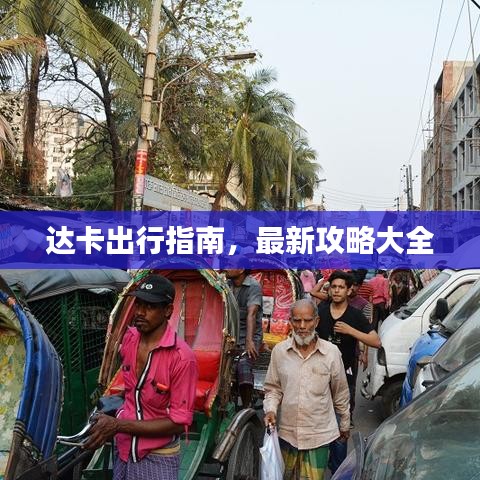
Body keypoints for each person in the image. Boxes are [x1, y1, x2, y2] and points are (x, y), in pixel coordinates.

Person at [83, 274, 198, 480]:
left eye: (150, 306)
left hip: (157, 458)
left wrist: (118, 425)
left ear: (168, 311)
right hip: (123, 449)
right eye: (139, 304)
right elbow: (132, 390)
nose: (140, 312)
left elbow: (179, 423)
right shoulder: (130, 338)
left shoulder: (182, 358)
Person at [263, 299, 350, 480]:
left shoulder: (331, 353)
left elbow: (340, 393)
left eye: (308, 320)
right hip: (288, 434)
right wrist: (270, 410)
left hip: (319, 435)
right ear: (290, 322)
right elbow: (273, 388)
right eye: (297, 320)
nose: (302, 326)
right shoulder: (279, 352)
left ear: (316, 322)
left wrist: (344, 424)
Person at [316, 270, 381, 474]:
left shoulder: (355, 315)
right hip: (318, 375)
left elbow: (376, 341)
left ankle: (338, 470)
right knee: (318, 422)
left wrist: (350, 331)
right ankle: (317, 465)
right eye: (333, 287)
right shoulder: (321, 311)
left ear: (349, 290)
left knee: (340, 425)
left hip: (344, 375)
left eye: (341, 287)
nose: (336, 291)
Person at [223, 261, 263, 408]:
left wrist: (249, 341)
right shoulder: (226, 285)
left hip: (250, 335)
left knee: (243, 364)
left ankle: (246, 407)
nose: (226, 267)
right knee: (224, 366)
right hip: (231, 335)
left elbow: (251, 314)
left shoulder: (253, 286)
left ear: (241, 269)